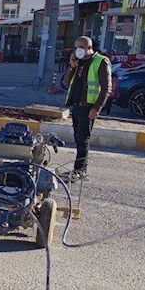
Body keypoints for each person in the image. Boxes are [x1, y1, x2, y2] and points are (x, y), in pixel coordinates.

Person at [62, 36, 111, 181]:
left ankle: (80, 170)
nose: (78, 50)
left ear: (89, 48)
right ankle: (78, 169)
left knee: (83, 139)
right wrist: (72, 66)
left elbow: (106, 88)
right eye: (76, 47)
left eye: (81, 47)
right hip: (76, 106)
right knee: (78, 138)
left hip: (88, 107)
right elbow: (66, 82)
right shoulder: (79, 62)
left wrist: (96, 108)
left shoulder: (101, 61)